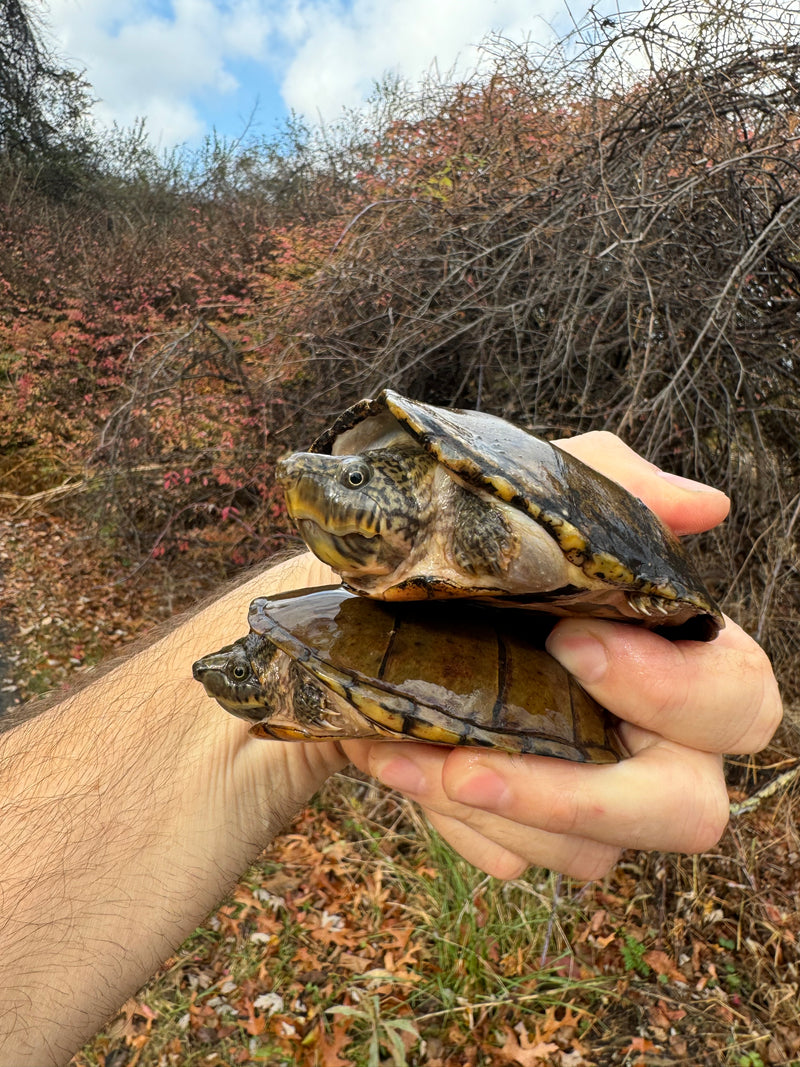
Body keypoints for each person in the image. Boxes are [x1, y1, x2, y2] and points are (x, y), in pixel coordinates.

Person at [0, 432, 782, 1066]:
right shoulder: (352, 614)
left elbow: (506, 525)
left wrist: (573, 511)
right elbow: (343, 613)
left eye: (352, 487)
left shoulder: (459, 499)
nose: (329, 508)